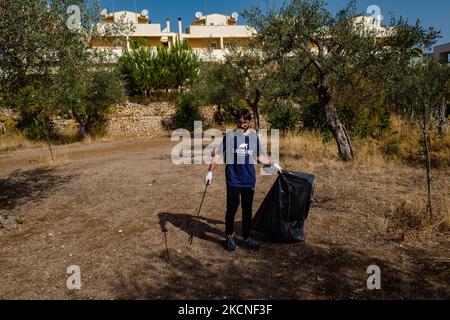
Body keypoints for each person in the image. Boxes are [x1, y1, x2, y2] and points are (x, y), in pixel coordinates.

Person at [204, 109, 282, 251]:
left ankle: (247, 237)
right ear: (236, 121)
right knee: (232, 208)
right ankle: (228, 236)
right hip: (233, 179)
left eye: (245, 122)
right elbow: (218, 155)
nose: (242, 125)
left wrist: (272, 163)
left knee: (247, 210)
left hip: (249, 179)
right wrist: (210, 172)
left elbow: (259, 157)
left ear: (249, 122)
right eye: (239, 122)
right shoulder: (229, 136)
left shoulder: (253, 137)